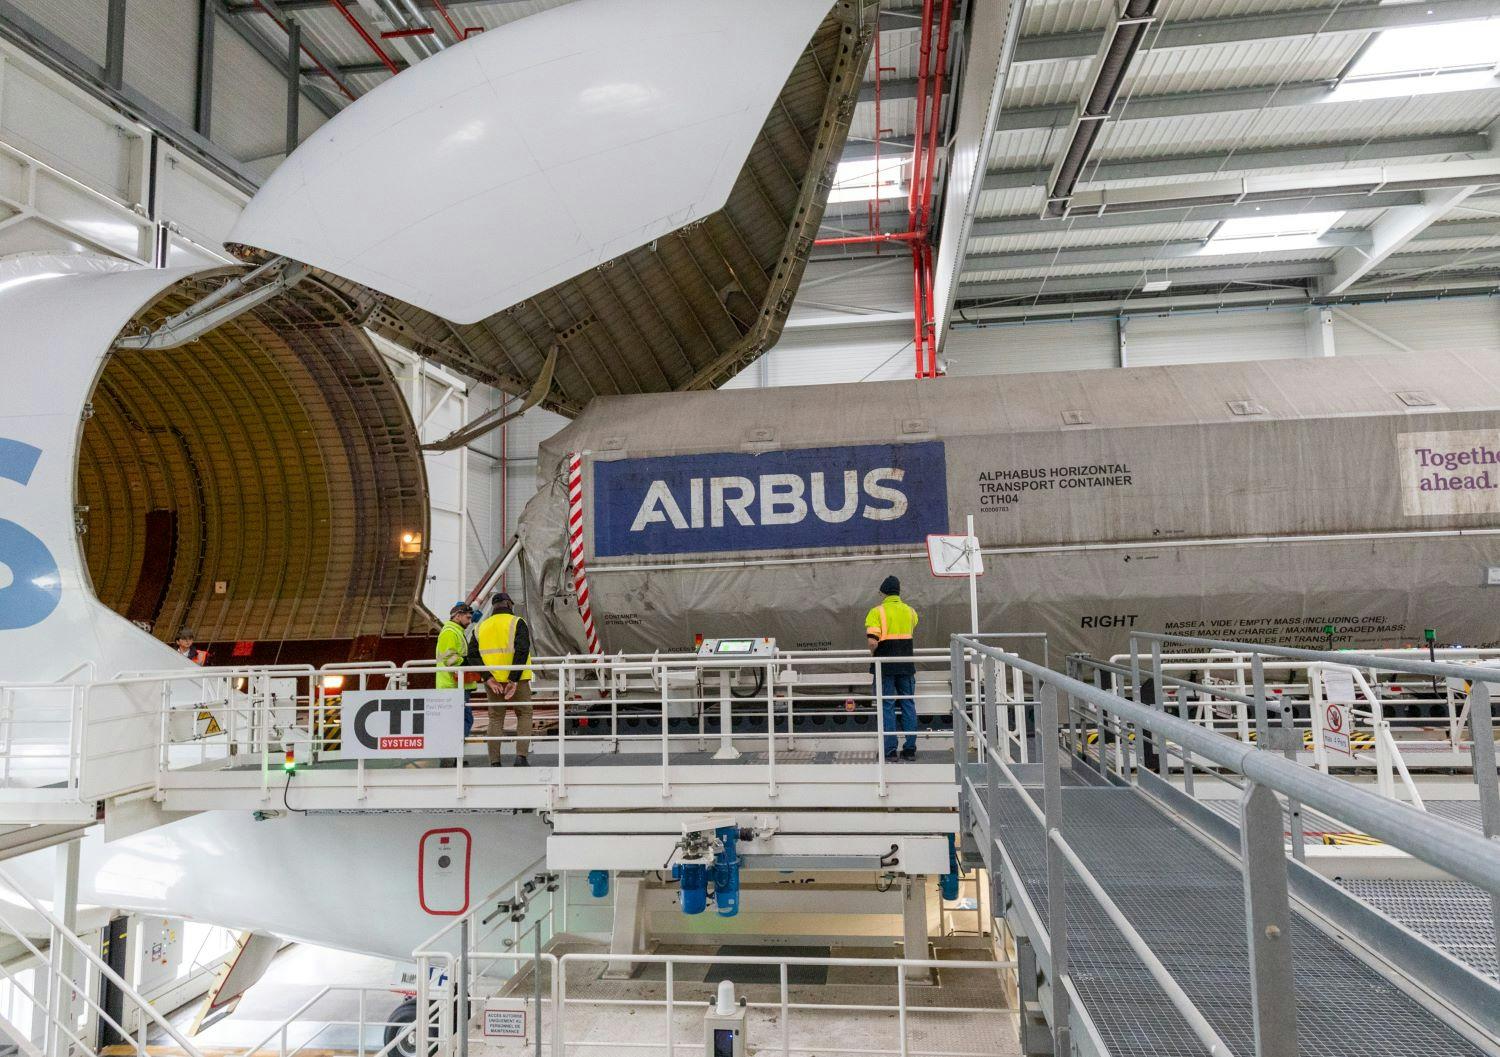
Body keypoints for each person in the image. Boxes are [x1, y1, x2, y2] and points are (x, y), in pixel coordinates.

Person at [476, 592, 533, 767]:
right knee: (524, 713)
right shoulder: (517, 622)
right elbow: (522, 650)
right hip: (517, 681)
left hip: (493, 683)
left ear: (493, 606)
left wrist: (488, 678)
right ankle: (521, 757)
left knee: (495, 718)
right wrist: (513, 680)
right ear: (509, 604)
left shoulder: (481, 627)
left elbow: (472, 655)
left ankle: (494, 762)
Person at [866, 576, 919, 761]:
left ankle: (889, 752)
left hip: (885, 667)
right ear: (898, 592)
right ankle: (910, 749)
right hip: (906, 666)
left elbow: (872, 641)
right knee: (908, 704)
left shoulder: (876, 612)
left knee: (887, 706)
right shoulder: (911, 612)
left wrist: (873, 655)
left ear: (883, 593)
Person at [435, 603, 477, 756]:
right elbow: (449, 657)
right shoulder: (450, 632)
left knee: (458, 722)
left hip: (455, 685)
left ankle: (452, 755)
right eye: (467, 617)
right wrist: (466, 662)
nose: (469, 620)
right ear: (457, 616)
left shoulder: (455, 631)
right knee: (463, 721)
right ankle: (452, 754)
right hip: (452, 686)